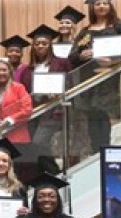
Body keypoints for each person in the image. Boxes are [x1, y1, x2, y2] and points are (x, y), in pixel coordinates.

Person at [69, 0, 121, 152]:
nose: (101, 6)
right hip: (88, 81)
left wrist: (114, 60)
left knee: (103, 119)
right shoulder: (86, 31)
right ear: (92, 7)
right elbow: (71, 57)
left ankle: (105, 153)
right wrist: (82, 55)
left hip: (107, 80)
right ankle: (96, 153)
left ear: (110, 6)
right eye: (97, 3)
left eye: (105, 3)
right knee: (92, 121)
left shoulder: (120, 26)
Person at [21, 25, 74, 176]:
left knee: (39, 142)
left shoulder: (61, 63)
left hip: (54, 111)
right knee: (33, 146)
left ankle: (56, 173)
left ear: (50, 45)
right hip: (34, 113)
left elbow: (71, 82)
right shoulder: (28, 69)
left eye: (44, 43)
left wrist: (58, 92)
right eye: (37, 44)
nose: (40, 46)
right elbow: (24, 91)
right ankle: (45, 175)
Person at [0, 59, 34, 181]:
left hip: (17, 137)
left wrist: (10, 120)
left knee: (17, 173)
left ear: (9, 71)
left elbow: (27, 109)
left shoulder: (18, 88)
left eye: (4, 70)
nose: (1, 73)